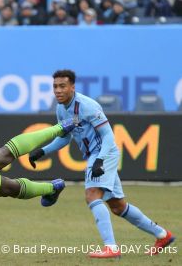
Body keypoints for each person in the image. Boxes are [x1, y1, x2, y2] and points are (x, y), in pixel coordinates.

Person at [28, 70, 175, 258]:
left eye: (63, 86)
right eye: (55, 86)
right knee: (118, 206)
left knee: (92, 195)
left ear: (72, 87)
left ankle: (111, 248)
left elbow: (108, 136)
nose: (58, 90)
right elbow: (65, 138)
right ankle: (163, 235)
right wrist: (42, 151)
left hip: (104, 153)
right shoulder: (60, 109)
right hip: (95, 156)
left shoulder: (88, 106)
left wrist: (99, 160)